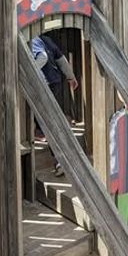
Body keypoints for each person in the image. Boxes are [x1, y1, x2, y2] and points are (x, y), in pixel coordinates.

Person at [30, 34, 78, 176]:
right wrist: (71, 77)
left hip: (45, 85)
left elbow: (42, 57)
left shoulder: (32, 40)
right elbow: (61, 59)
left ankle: (59, 161)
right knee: (51, 119)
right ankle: (40, 132)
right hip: (55, 82)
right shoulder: (46, 39)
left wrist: (28, 71)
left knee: (49, 123)